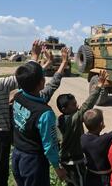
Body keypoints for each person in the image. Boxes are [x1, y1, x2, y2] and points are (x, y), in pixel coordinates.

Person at [0, 40, 57, 186]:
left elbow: (28, 78)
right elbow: (22, 78)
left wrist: (47, 64)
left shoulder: (17, 96)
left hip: (15, 153)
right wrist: (34, 55)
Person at [11, 44, 70, 186]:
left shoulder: (18, 96)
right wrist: (57, 168)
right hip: (33, 163)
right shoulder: (45, 113)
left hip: (17, 156)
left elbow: (50, 84)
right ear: (41, 82)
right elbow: (49, 145)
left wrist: (44, 60)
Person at [57, 70, 108, 186]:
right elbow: (88, 104)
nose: (77, 106)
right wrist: (99, 86)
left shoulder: (60, 119)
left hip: (64, 160)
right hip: (74, 162)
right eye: (73, 105)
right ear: (64, 109)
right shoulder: (74, 119)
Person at [81, 97, 112, 186]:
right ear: (101, 124)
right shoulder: (104, 140)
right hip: (104, 179)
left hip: (89, 176)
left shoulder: (83, 138)